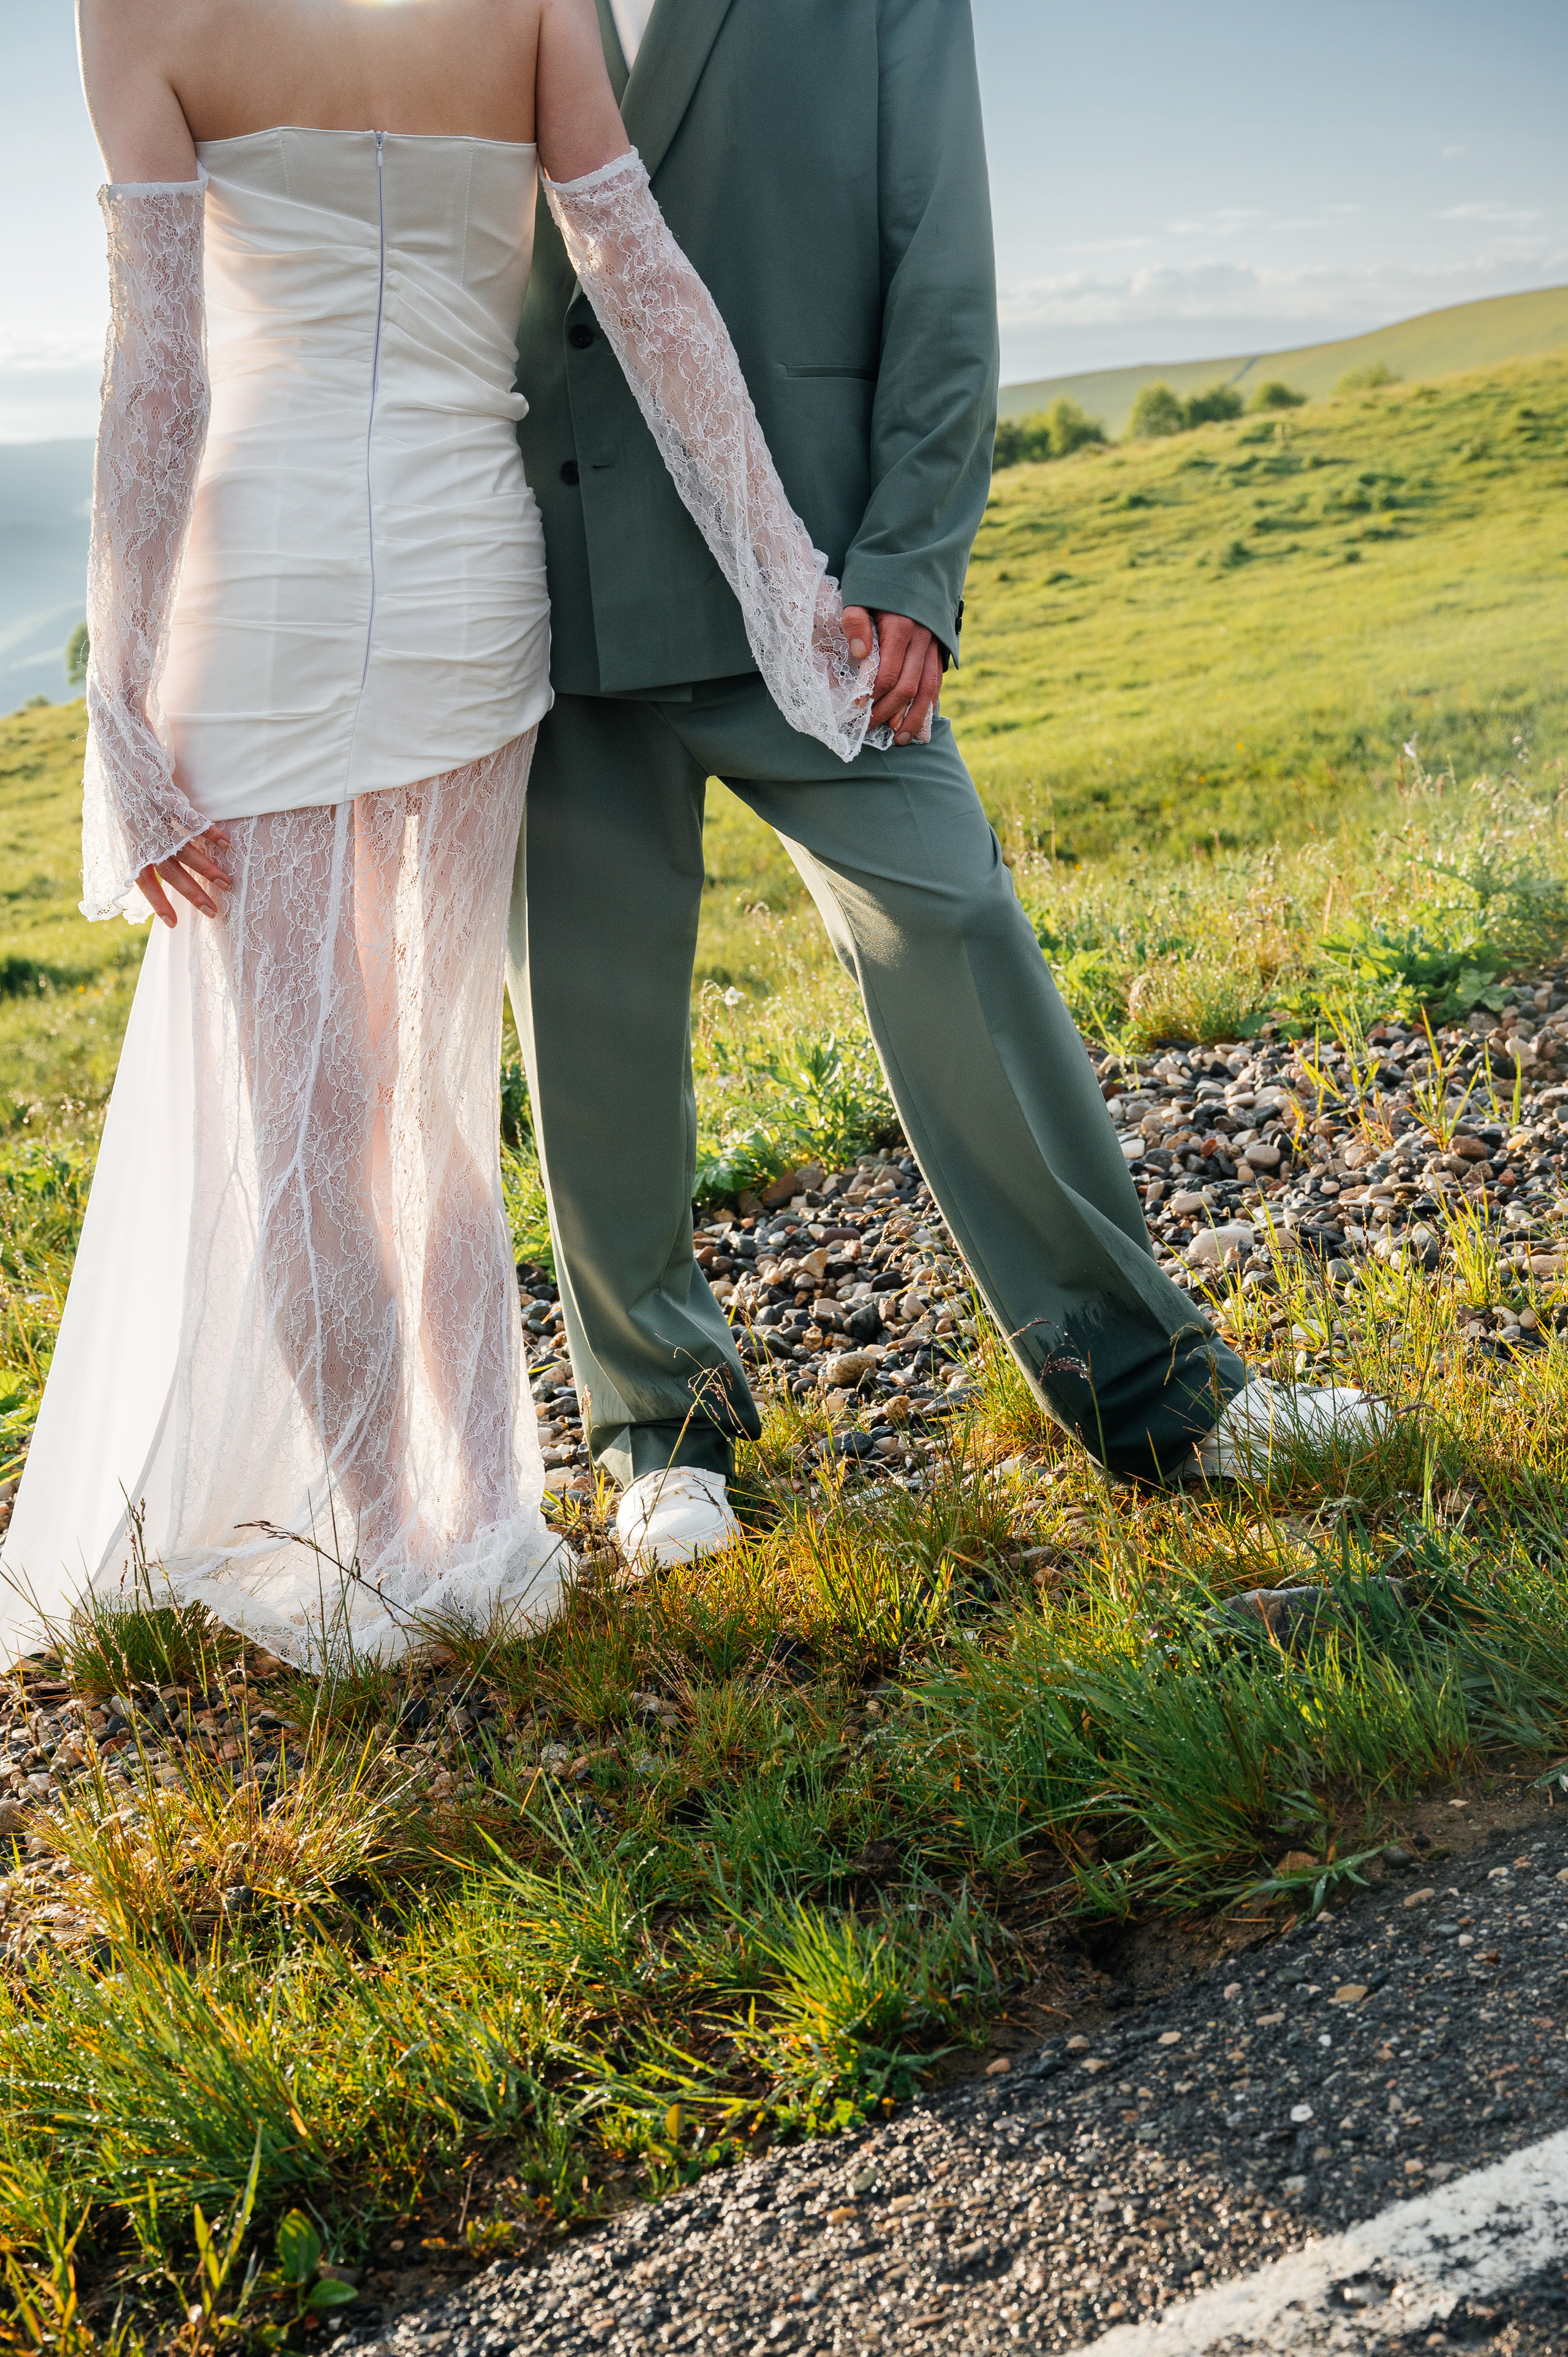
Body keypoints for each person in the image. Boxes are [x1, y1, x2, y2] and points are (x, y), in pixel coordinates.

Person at [0, 0, 879, 1666]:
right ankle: (482, 1520)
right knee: (429, 1091)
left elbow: (163, 371)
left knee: (306, 1103)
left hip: (262, 599)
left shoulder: (131, 11)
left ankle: (398, 1544)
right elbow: (644, 281)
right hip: (475, 592)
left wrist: (115, 702)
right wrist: (787, 573)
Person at [508, 0, 1385, 1570]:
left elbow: (942, 259)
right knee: (589, 1027)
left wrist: (913, 554)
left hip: (823, 582)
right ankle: (659, 1431)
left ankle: (1156, 1389)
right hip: (547, 569)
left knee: (956, 923)